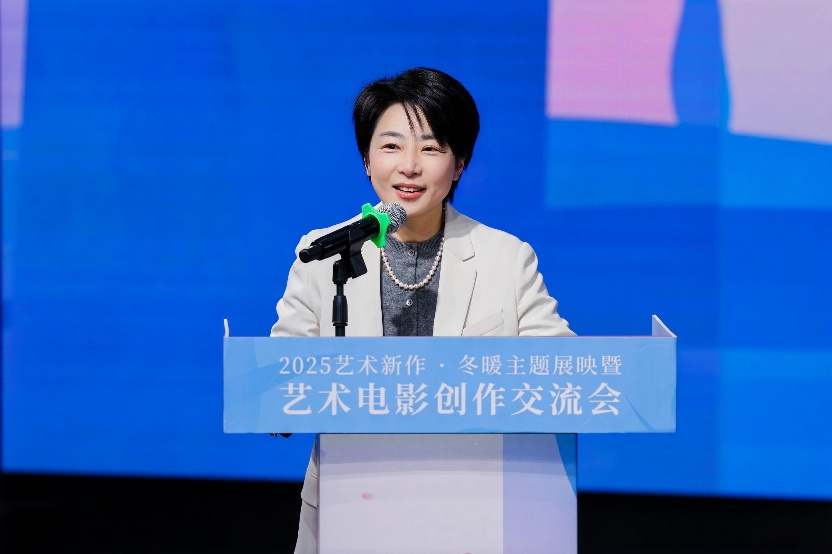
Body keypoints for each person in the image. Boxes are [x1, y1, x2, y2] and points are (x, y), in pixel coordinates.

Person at [270, 67, 575, 554]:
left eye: (431, 148)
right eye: (391, 146)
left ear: (459, 165)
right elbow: (279, 379)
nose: (409, 166)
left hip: (472, 508)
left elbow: (563, 371)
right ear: (367, 160)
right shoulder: (323, 254)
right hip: (352, 506)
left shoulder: (506, 257)